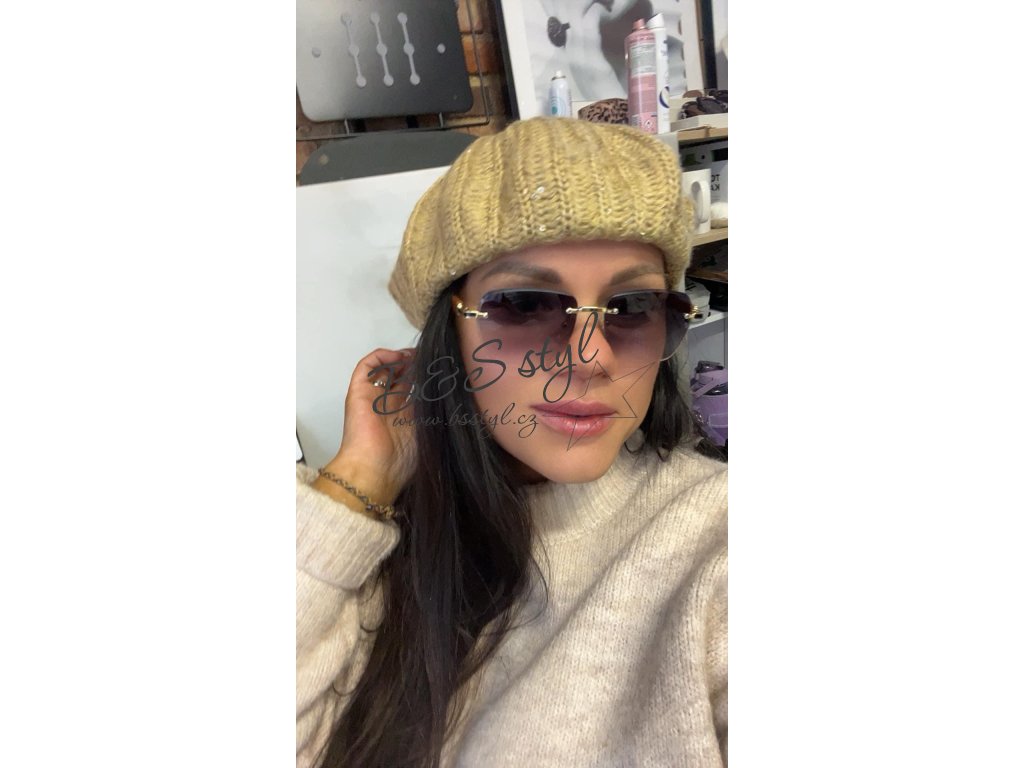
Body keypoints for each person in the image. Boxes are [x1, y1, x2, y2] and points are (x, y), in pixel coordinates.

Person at [296, 117, 728, 768]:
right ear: (450, 333)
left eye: (631, 308)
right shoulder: (384, 539)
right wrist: (360, 477)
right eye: (526, 305)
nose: (591, 358)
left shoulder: (714, 543)